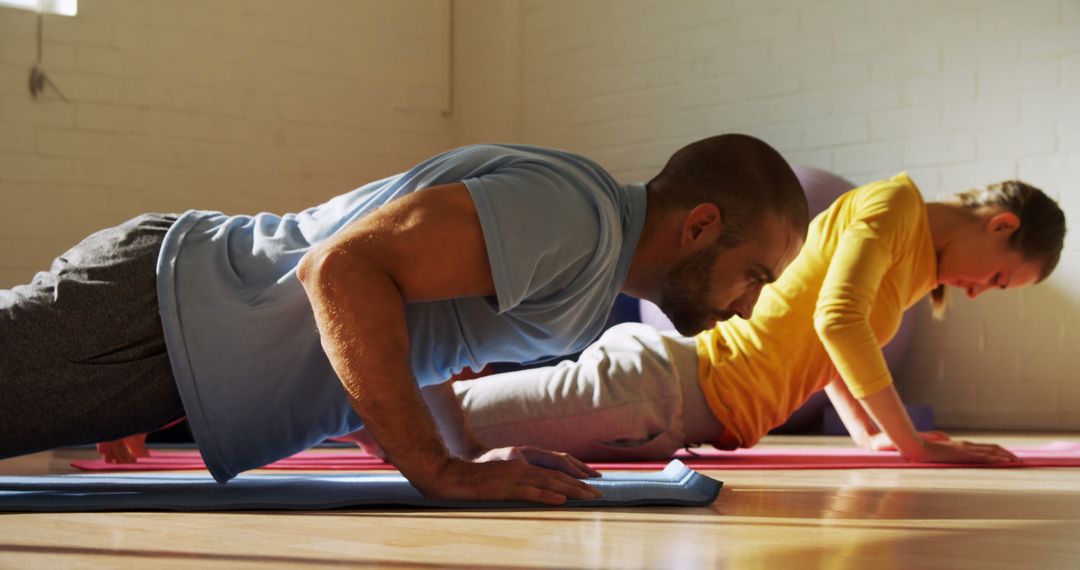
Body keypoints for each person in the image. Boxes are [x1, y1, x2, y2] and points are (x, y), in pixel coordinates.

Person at [0, 134, 809, 504]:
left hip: (167, 346)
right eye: (756, 275)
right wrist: (439, 471)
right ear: (699, 226)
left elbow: (396, 342)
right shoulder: (578, 219)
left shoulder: (587, 247)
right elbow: (342, 271)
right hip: (151, 312)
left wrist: (465, 451)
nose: (752, 303)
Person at [443, 174, 1066, 464]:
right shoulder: (893, 205)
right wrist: (913, 448)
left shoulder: (909, 269)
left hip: (675, 412)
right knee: (436, 422)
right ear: (1001, 225)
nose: (983, 292)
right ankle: (349, 377)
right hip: (663, 385)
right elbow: (839, 320)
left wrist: (871, 436)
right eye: (999, 277)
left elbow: (831, 352)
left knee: (442, 421)